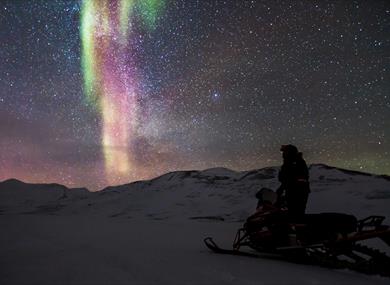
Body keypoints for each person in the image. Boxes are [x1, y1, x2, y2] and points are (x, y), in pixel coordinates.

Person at [276, 144, 310, 222]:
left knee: (296, 215)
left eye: (284, 152)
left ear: (289, 152)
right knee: (291, 214)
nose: (283, 154)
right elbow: (285, 178)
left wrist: (284, 186)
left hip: (297, 192)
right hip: (293, 190)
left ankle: (298, 231)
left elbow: (292, 177)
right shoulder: (289, 162)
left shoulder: (296, 161)